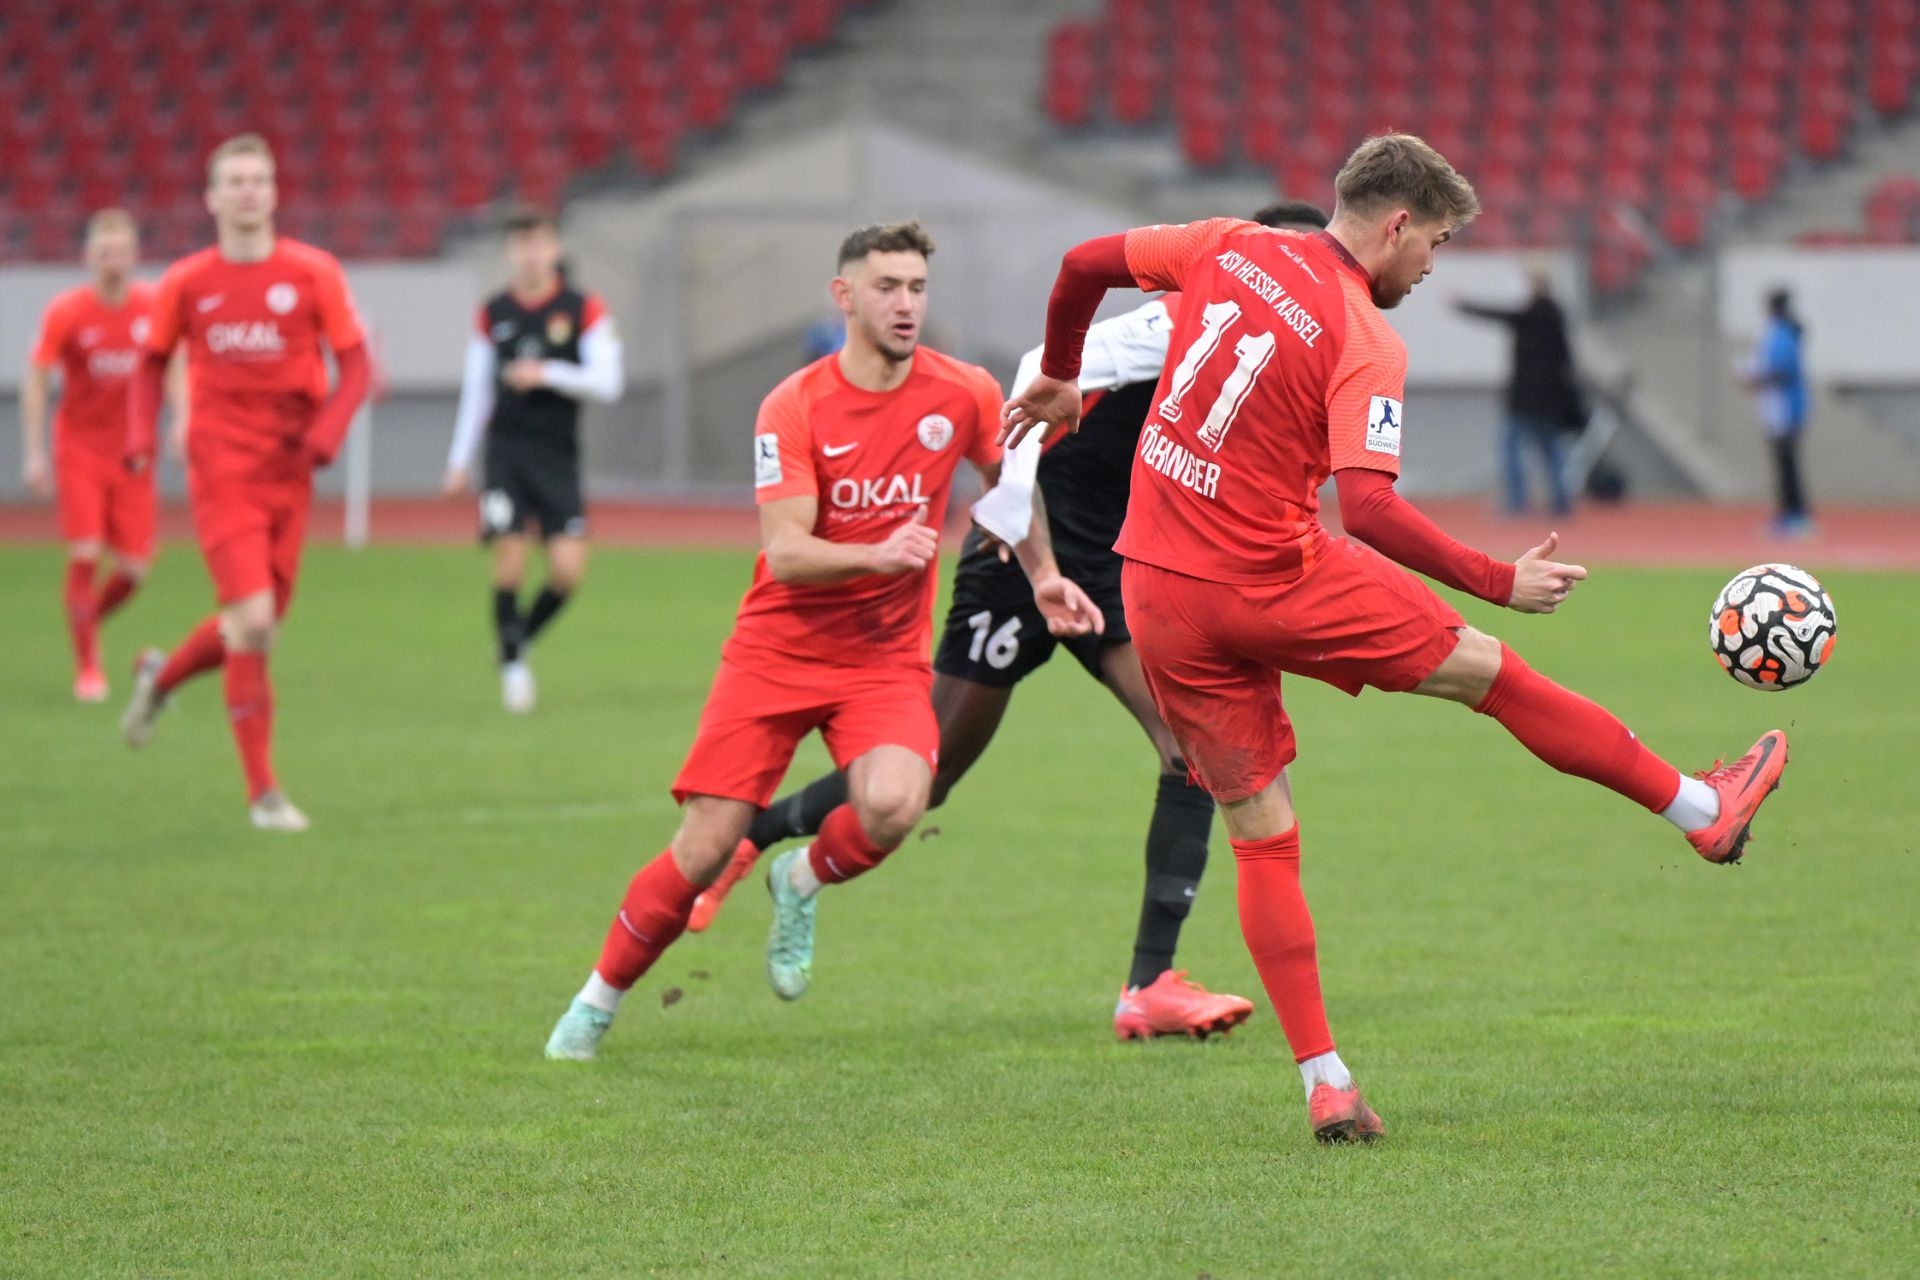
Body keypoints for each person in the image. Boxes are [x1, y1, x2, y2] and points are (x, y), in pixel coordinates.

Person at [1003, 133, 1790, 1144]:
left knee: (1260, 830)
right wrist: (1498, 579)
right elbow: (1368, 509)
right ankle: (1700, 809)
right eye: (1439, 244)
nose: (1431, 267)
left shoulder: (1226, 242)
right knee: (1493, 675)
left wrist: (1063, 374)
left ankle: (1326, 1082)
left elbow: (1081, 265)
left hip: (1156, 584)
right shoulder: (1365, 337)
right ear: (1399, 223)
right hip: (1275, 574)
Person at [689, 201, 1335, 1045]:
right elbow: (1040, 368)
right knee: (928, 775)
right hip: (1024, 553)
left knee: (1192, 752)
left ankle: (1148, 985)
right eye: (1289, 257)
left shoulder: (1293, 348)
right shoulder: (1187, 314)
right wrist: (1012, 505)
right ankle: (757, 837)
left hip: (1122, 568)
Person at [543, 221, 1100, 1061]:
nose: (906, 304)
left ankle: (798, 878)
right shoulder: (795, 404)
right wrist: (878, 553)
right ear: (844, 296)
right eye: (887, 287)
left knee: (899, 803)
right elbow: (787, 553)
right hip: (775, 654)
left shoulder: (965, 392)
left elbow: (1008, 490)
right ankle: (596, 1001)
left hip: (882, 660)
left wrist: (1045, 573)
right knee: (704, 848)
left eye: (917, 288)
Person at [120, 134, 372, 832]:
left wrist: (327, 433)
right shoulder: (186, 281)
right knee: (253, 624)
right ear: (212, 198)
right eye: (234, 181)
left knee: (255, 628)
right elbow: (150, 363)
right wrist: (141, 436)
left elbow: (357, 366)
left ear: (275, 192)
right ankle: (264, 795)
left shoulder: (313, 272)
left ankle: (161, 677)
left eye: (258, 180)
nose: (247, 192)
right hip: (222, 468)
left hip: (290, 471)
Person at [443, 207, 624, 712]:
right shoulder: (493, 312)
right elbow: (477, 391)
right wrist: (459, 459)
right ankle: (514, 669)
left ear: (555, 247)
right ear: (510, 251)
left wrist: (546, 373)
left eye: (540, 242)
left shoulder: (583, 308)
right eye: (522, 243)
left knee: (567, 572)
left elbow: (609, 383)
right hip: (505, 450)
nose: (531, 253)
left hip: (557, 454)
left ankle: (515, 640)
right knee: (510, 554)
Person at [21, 209, 185, 701]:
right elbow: (37, 378)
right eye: (104, 251)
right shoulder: (67, 311)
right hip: (80, 449)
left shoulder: (153, 307)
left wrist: (183, 420)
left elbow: (175, 364)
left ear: (135, 256)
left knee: (134, 569)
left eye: (121, 251)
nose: (113, 260)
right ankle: (88, 667)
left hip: (134, 453)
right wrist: (34, 452)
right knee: (87, 551)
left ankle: (84, 620)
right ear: (88, 256)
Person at [1454, 262, 1584, 516]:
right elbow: (1565, 357)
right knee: (1551, 450)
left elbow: (1501, 314)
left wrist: (1464, 305)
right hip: (1549, 398)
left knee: (1512, 446)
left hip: (1527, 398)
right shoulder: (1555, 313)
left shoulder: (1534, 312)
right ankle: (1561, 501)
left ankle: (1518, 502)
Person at [1743, 287, 1810, 536]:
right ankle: (1788, 514)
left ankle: (1795, 515)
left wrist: (1756, 380)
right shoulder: (1780, 333)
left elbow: (1782, 372)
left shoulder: (1782, 335)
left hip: (1786, 409)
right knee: (1783, 464)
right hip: (1779, 408)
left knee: (1787, 464)